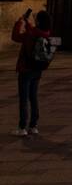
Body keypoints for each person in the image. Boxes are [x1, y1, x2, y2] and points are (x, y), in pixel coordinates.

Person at [12, 8, 54, 136]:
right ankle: (33, 126)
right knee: (33, 97)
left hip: (25, 69)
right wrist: (28, 23)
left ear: (39, 21)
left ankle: (22, 127)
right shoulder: (46, 33)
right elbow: (35, 30)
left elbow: (15, 37)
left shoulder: (30, 34)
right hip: (37, 70)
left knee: (23, 99)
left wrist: (20, 21)